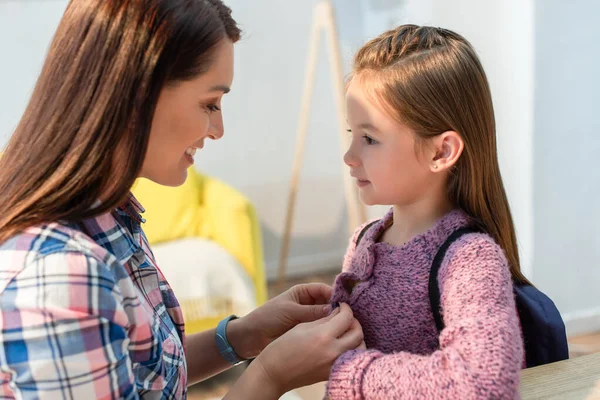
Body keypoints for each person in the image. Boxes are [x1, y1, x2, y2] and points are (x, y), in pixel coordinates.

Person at [0, 1, 364, 399]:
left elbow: (140, 373)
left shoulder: (111, 216)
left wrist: (244, 335)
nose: (218, 129)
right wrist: (270, 376)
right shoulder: (59, 274)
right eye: (210, 103)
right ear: (137, 94)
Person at [326, 25, 525, 399]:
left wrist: (350, 374)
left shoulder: (470, 261)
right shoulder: (365, 238)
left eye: (369, 139)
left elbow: (484, 384)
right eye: (352, 133)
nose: (349, 157)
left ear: (441, 152)